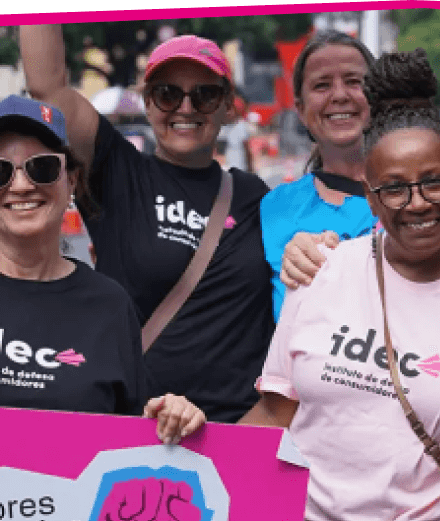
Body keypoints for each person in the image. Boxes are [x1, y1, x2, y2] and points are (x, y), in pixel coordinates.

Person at [238, 50, 440, 521]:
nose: (417, 204)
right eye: (396, 189)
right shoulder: (322, 271)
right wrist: (186, 461)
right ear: (373, 197)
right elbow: (275, 410)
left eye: (434, 183)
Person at [19, 26, 275, 423]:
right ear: (148, 103)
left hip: (234, 434)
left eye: (205, 95)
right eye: (168, 93)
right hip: (136, 425)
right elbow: (47, 86)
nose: (185, 108)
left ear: (228, 107)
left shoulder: (255, 196)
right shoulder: (116, 171)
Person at [0, 94, 204, 444]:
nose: (20, 185)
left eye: (42, 167)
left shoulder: (109, 305)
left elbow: (131, 443)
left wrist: (173, 418)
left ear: (71, 181)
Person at [262, 14, 440, 320]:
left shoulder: (439, 142)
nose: (339, 95)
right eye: (322, 85)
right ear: (300, 107)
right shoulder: (275, 207)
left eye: (353, 81)